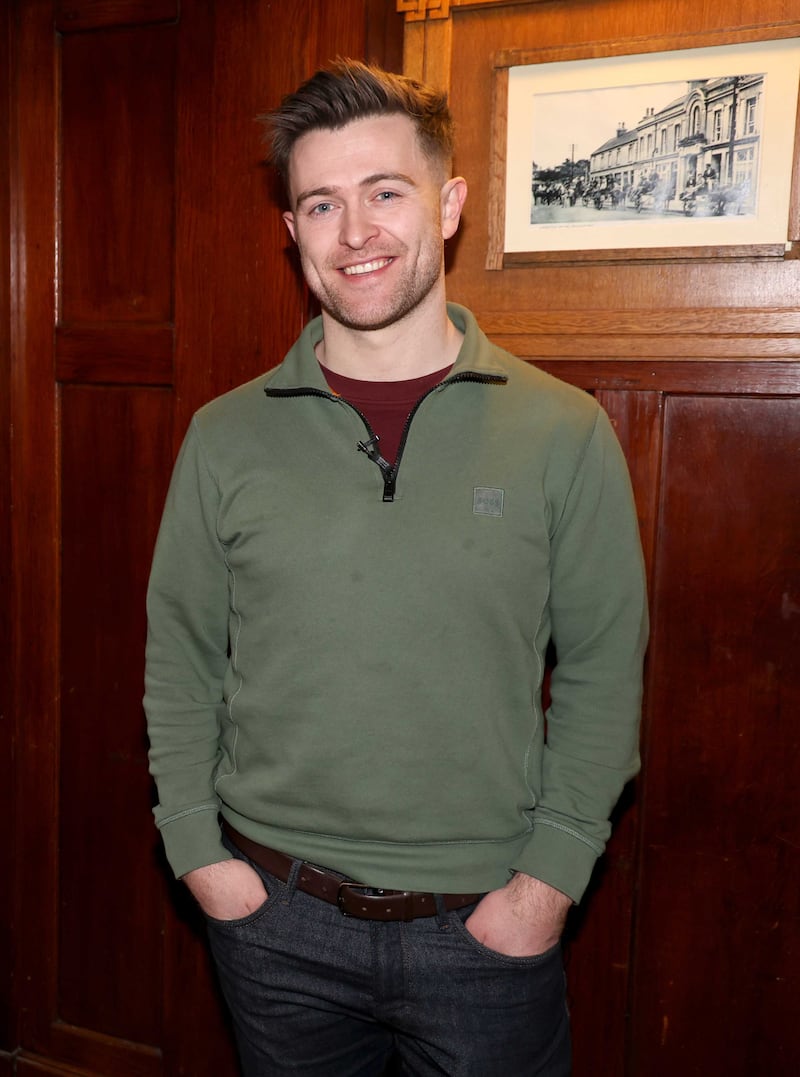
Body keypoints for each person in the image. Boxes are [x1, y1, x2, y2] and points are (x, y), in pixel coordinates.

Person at [144, 59, 648, 1076]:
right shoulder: (223, 436)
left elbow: (601, 672)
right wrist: (199, 854)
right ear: (291, 230)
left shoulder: (562, 431)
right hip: (271, 918)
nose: (354, 232)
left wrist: (544, 885)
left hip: (485, 926)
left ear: (448, 204)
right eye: (319, 203)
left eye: (385, 192)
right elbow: (180, 657)